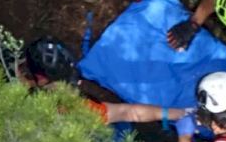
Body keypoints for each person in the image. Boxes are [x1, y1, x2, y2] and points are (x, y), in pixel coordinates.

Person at [21, 37, 190, 127]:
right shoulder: (73, 109)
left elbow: (128, 112)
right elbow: (127, 113)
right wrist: (181, 114)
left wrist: (178, 113)